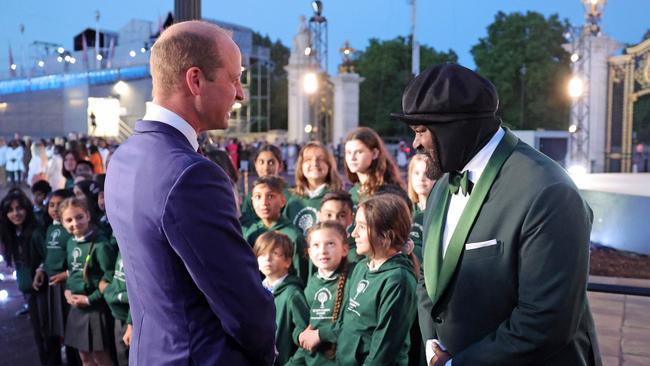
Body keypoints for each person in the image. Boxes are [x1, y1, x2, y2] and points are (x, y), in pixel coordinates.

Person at [391, 63, 600, 365]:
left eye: (422, 130)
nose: (415, 143)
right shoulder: (441, 187)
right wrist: (432, 342)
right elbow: (429, 278)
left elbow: (546, 323)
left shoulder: (549, 191)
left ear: (458, 127)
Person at [104, 20, 276, 365]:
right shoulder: (192, 174)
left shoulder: (122, 157)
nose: (240, 94)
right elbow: (244, 307)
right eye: (234, 79)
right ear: (195, 80)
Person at [325, 194, 418, 365]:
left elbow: (384, 349)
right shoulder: (361, 267)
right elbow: (347, 324)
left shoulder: (398, 281)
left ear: (385, 235)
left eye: (361, 227)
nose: (353, 234)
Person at [1, 189, 60, 365]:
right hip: (29, 290)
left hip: (43, 289)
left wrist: (41, 269)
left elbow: (49, 255)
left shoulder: (36, 232)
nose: (15, 213)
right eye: (10, 210)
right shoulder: (11, 235)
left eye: (19, 208)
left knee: (47, 333)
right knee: (38, 335)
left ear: (26, 209)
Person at [60, 197, 116, 366]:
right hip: (77, 308)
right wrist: (68, 290)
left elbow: (111, 280)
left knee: (101, 357)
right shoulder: (70, 242)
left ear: (88, 216)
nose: (75, 223)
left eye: (79, 217)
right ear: (62, 223)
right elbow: (73, 271)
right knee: (84, 357)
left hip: (95, 308)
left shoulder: (101, 245)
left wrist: (89, 299)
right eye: (69, 220)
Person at [294, 221, 353, 366]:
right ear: (308, 252)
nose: (323, 251)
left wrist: (321, 335)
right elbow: (301, 326)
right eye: (316, 245)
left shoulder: (353, 279)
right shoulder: (312, 284)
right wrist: (300, 336)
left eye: (330, 244)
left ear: (345, 249)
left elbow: (355, 327)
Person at [254, 231, 309, 366]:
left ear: (288, 261)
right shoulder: (256, 291)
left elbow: (306, 339)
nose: (267, 258)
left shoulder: (292, 294)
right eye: (262, 254)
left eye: (275, 253)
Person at [244, 175, 308, 282]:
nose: (264, 203)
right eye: (258, 197)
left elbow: (301, 276)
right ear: (252, 202)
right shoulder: (251, 232)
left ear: (283, 201)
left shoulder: (293, 236)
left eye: (270, 196)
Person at [284, 142, 343, 235]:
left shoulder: (338, 199)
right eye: (308, 159)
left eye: (321, 159)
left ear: (329, 165)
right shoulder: (292, 200)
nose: (315, 163)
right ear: (301, 166)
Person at [343, 127, 404, 207]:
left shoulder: (388, 193)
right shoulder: (352, 192)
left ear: (375, 153)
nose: (352, 158)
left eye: (358, 152)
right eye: (348, 152)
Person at [240, 144, 285, 227]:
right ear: (255, 165)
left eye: (271, 163)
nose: (266, 168)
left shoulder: (288, 194)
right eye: (261, 162)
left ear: (280, 166)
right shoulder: (251, 196)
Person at [406, 154, 436, 262]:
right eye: (416, 173)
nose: (421, 178)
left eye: (427, 173)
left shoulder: (441, 211)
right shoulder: (405, 209)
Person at [318, 191, 360, 263]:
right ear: (320, 216)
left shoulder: (357, 252)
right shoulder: (316, 250)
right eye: (329, 215)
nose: (334, 220)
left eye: (342, 216)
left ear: (351, 218)